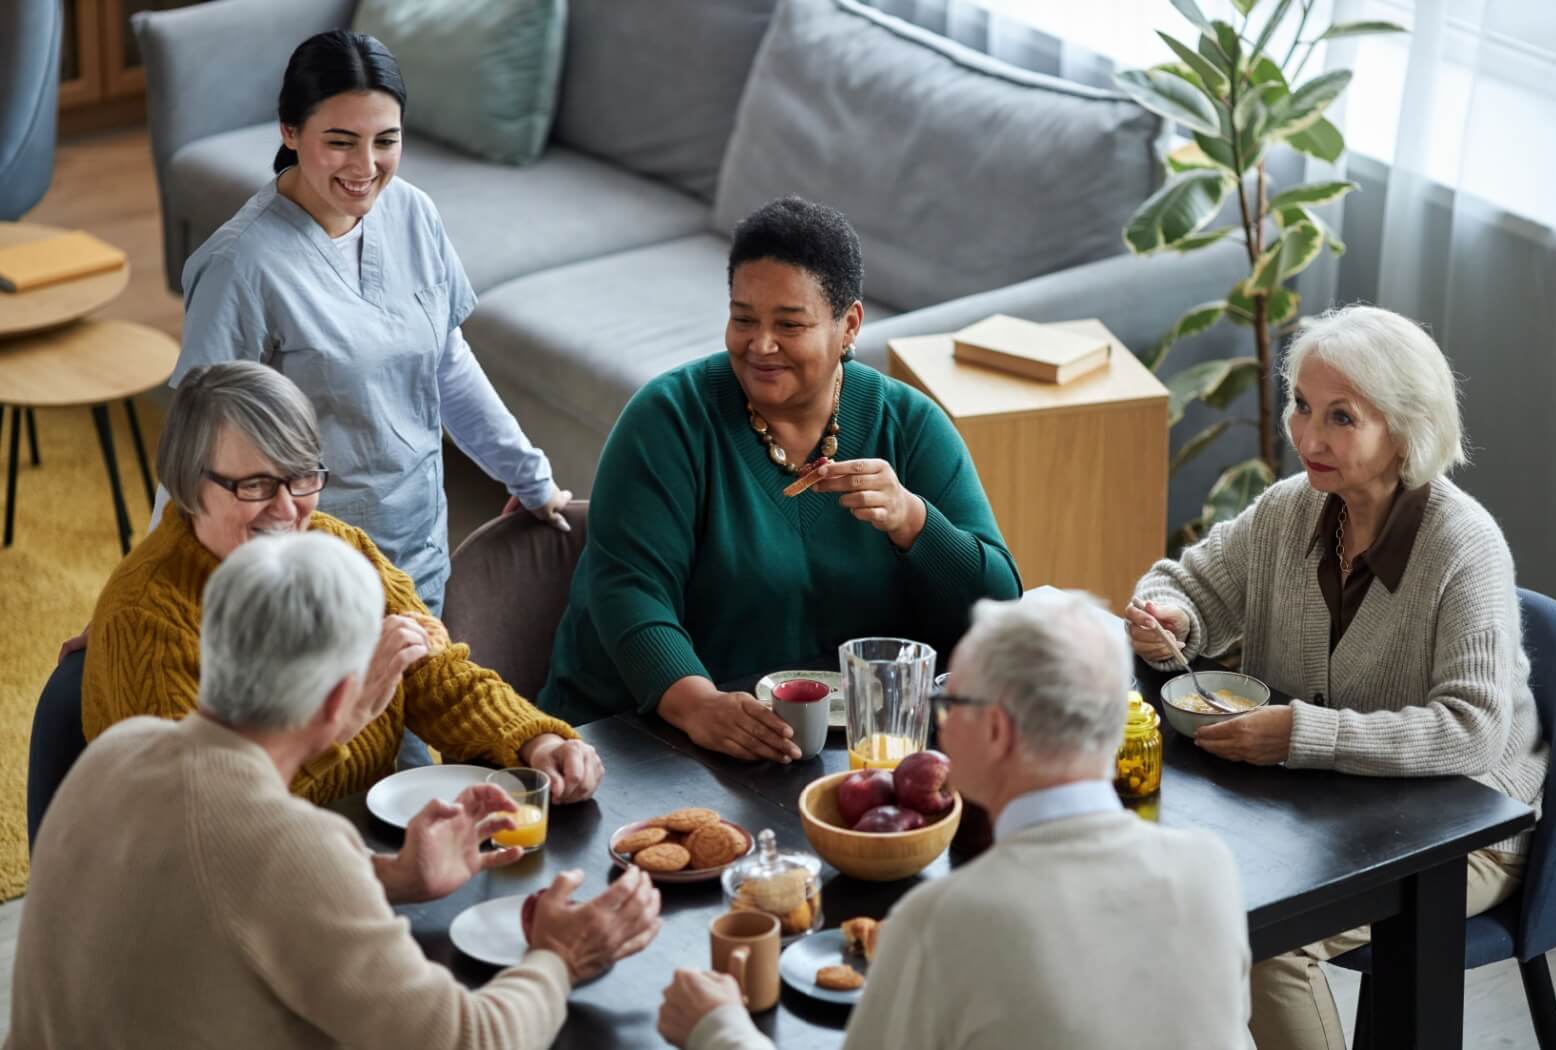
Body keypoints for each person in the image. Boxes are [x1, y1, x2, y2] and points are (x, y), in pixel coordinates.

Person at [12, 531, 659, 1049]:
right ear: (343, 699)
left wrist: (389, 876)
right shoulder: (291, 847)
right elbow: (470, 1037)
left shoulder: (119, 750)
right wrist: (562, 957)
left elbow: (217, 894)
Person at [1123, 305, 1548, 1050]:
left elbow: (1473, 732)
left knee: (1267, 943)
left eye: (1341, 418)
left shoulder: (1464, 546)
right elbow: (1186, 585)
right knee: (1163, 892)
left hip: (1462, 830)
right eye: (1302, 405)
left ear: (1406, 434)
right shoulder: (1293, 509)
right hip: (1322, 808)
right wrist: (1173, 617)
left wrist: (1302, 734)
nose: (1307, 436)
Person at [657, 590, 1252, 1049]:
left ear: (995, 731)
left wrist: (719, 1029)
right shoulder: (1210, 870)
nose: (937, 726)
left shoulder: (943, 922)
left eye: (950, 703)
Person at [539, 197, 1022, 759]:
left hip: (854, 746)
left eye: (789, 324)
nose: (760, 345)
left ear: (849, 326)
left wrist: (914, 521)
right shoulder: (667, 420)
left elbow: (999, 605)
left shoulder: (911, 426)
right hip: (642, 736)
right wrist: (697, 704)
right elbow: (628, 592)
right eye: (743, 318)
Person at [163, 29, 569, 613]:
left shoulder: (412, 213)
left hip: (422, 549)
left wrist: (531, 479)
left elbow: (447, 365)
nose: (366, 166)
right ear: (289, 130)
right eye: (341, 141)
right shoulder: (240, 267)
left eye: (386, 140)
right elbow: (193, 452)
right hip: (308, 576)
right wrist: (145, 596)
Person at [82, 362, 603, 805]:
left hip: (353, 848)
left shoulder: (341, 549)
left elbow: (438, 679)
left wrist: (535, 740)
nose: (287, 510)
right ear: (190, 486)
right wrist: (345, 715)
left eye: (301, 476)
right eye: (256, 485)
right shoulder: (150, 618)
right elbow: (202, 818)